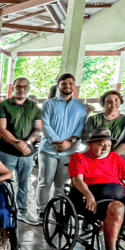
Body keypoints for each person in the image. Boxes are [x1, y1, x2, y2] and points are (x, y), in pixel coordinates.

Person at [0, 77, 42, 224]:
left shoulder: (34, 107)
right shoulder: (3, 106)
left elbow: (38, 128)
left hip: (27, 152)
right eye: (18, 86)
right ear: (13, 87)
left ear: (28, 88)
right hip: (7, 152)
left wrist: (27, 142)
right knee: (4, 181)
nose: (21, 89)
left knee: (24, 183)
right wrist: (16, 143)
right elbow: (1, 129)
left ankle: (22, 211)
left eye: (25, 86)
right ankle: (3, 211)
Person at [38, 73, 87, 210]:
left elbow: (80, 126)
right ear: (58, 84)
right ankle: (42, 210)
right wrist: (58, 141)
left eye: (70, 83)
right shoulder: (48, 104)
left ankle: (57, 212)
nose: (67, 86)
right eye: (64, 83)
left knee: (61, 185)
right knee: (45, 182)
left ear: (74, 85)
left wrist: (70, 141)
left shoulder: (80, 107)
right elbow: (45, 125)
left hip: (69, 151)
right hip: (48, 150)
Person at [82, 90, 125, 159]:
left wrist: (110, 159)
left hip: (117, 158)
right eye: (109, 101)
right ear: (103, 104)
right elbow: (86, 139)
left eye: (116, 100)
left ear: (120, 102)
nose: (113, 103)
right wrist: (100, 156)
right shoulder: (93, 119)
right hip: (96, 158)